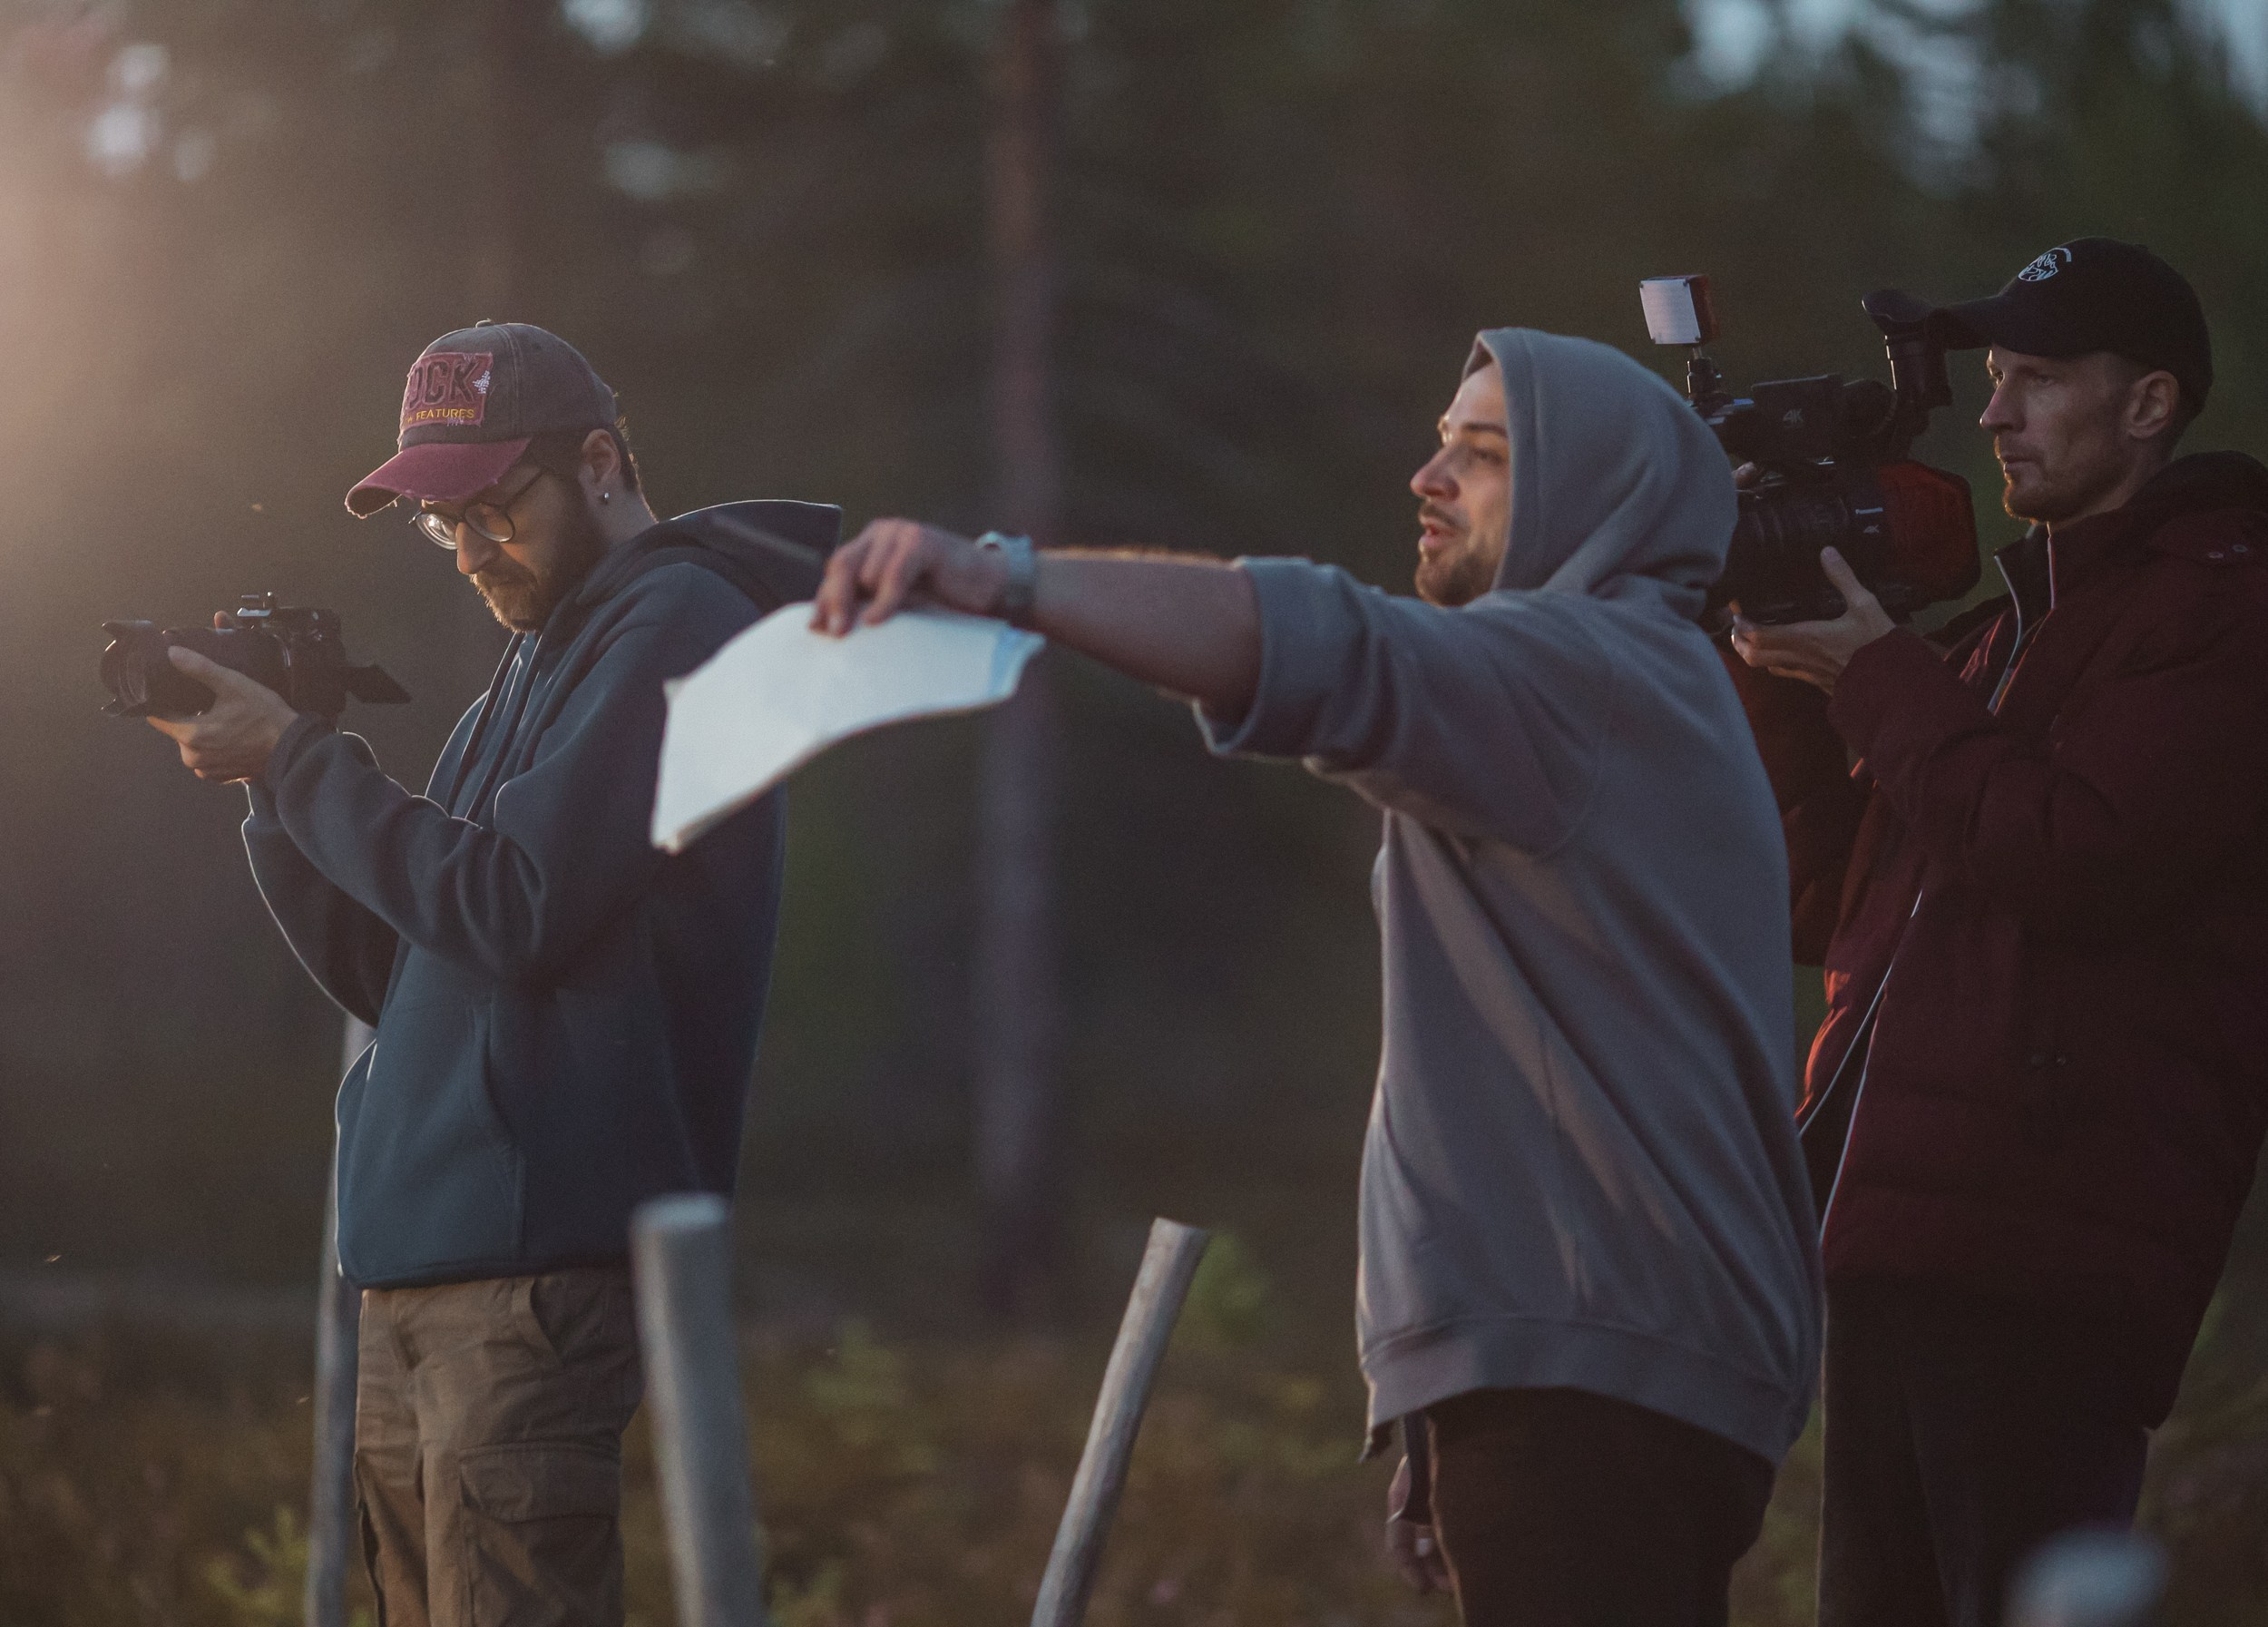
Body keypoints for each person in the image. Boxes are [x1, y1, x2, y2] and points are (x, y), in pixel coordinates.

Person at [812, 329, 1823, 1626]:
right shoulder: (1625, 688)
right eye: (1440, 437)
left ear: (1594, 495)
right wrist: (1457, 1382)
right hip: (1588, 1361)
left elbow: (1326, 646)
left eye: (1485, 451)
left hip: (1592, 1375)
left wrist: (1000, 575)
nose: (1428, 473)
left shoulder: (1584, 673)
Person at [148, 321, 836, 1627]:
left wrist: (302, 764)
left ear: (598, 462)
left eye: (489, 511)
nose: (467, 550)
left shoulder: (677, 623)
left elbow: (515, 906)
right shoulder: (535, 658)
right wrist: (272, 796)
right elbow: (400, 969)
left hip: (529, 1281)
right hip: (433, 1272)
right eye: (439, 527)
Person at [1727, 239, 2268, 1627]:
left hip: (2048, 1245)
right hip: (1897, 1222)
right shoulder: (1992, 637)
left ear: (2151, 403)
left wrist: (1884, 681)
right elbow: (1817, 897)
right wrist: (1794, 676)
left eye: (2036, 377)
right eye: (1993, 376)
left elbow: (2075, 854)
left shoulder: (2224, 610)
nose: (1992, 410)